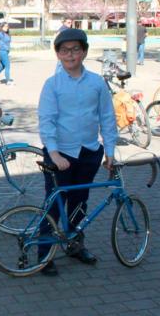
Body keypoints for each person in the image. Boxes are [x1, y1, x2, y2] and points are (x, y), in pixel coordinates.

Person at [37, 28, 118, 276]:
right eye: (64, 50)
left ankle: (74, 244)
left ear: (83, 52)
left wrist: (110, 151)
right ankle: (44, 255)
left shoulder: (96, 82)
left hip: (89, 152)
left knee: (80, 202)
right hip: (60, 154)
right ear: (58, 55)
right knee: (54, 203)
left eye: (75, 49)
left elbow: (107, 117)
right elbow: (46, 121)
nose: (70, 54)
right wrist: (55, 154)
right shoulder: (53, 85)